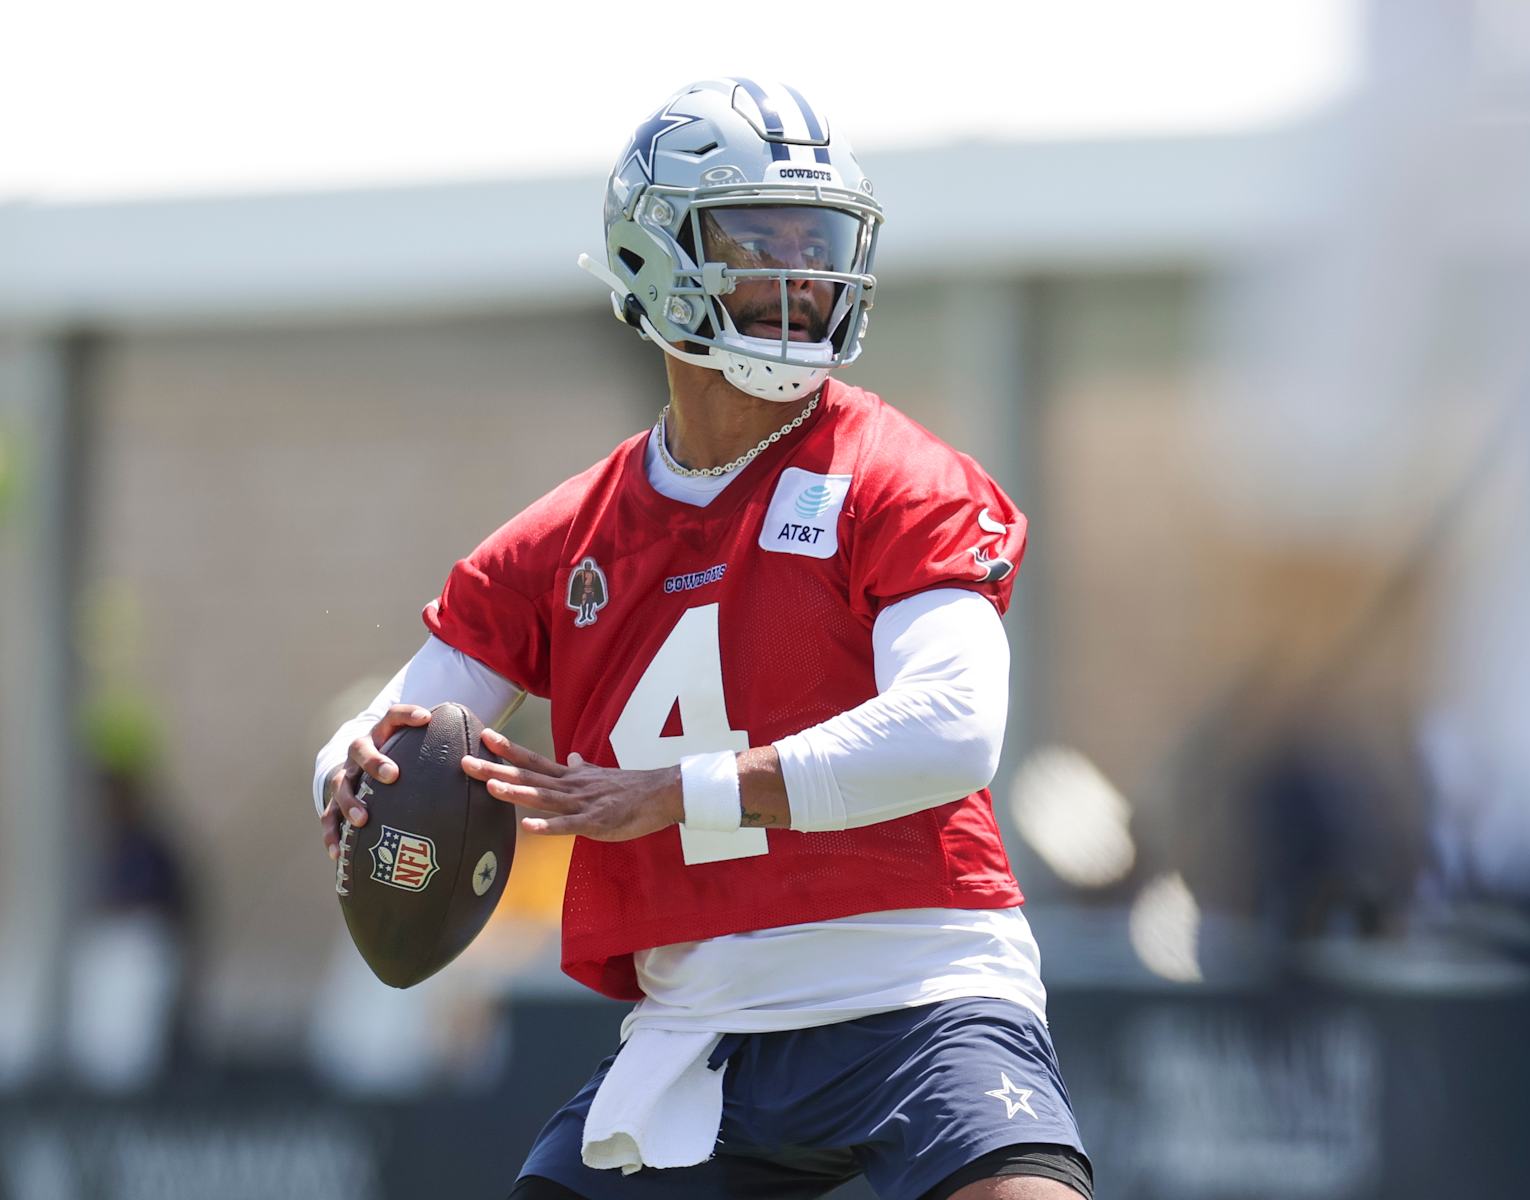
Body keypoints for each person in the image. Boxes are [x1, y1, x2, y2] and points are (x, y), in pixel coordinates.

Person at [312, 77, 1092, 1200]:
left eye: (817, 242)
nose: (799, 274)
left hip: (922, 995)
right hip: (700, 1030)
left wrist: (682, 792)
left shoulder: (898, 476)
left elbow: (955, 733)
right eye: (759, 239)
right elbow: (380, 729)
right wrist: (349, 778)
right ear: (654, 255)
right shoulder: (569, 538)